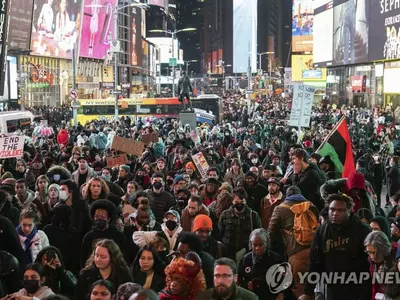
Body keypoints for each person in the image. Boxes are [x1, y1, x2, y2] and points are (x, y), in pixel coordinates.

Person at [299, 193, 372, 300]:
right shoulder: (322, 231)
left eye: (340, 210)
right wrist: (308, 291)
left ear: (349, 211)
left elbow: (370, 263)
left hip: (358, 287)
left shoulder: (362, 230)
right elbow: (315, 262)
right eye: (332, 209)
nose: (335, 213)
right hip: (332, 287)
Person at [238, 228, 285, 299]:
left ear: (266, 243)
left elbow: (284, 280)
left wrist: (281, 294)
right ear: (251, 244)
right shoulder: (245, 259)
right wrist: (246, 285)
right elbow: (239, 279)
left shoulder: (276, 259)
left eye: (260, 245)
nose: (257, 248)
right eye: (255, 245)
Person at [219, 187, 262, 261]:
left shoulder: (253, 216)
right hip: (227, 252)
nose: (239, 204)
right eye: (236, 202)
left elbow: (259, 234)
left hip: (247, 253)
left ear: (245, 201)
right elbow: (220, 233)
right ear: (232, 201)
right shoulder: (225, 214)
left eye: (241, 202)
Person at [81, 200, 128, 266]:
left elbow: (124, 258)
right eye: (96, 216)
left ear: (109, 219)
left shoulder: (118, 235)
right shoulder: (88, 237)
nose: (99, 219)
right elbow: (83, 259)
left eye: (102, 217)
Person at [42, 204, 80, 274]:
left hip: (67, 269)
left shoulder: (73, 232)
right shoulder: (47, 230)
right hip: (49, 266)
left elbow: (75, 255)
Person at [364, 231, 394, 299]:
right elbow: (375, 287)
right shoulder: (371, 261)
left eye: (374, 253)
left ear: (383, 250)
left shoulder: (396, 259)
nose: (372, 257)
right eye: (368, 252)